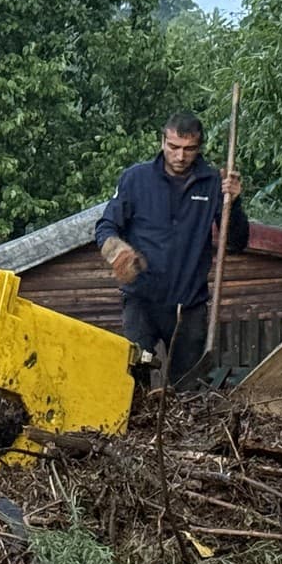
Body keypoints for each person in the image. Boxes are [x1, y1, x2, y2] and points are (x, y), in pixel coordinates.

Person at [94, 111, 248, 388]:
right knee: (131, 382)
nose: (180, 156)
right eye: (173, 147)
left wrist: (234, 203)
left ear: (199, 147)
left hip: (189, 306)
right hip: (141, 301)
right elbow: (106, 226)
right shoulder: (135, 179)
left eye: (189, 149)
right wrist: (116, 251)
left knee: (188, 389)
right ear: (162, 141)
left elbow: (237, 242)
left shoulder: (215, 183)